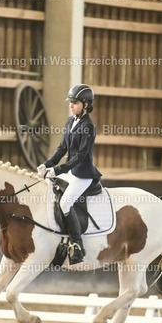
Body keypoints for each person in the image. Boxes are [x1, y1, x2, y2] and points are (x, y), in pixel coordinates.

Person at [37, 84, 102, 265]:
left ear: (86, 105)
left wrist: (57, 170)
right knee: (48, 189)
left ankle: (77, 245)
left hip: (82, 174)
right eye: (70, 102)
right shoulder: (69, 121)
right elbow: (62, 149)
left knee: (65, 202)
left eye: (75, 103)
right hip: (70, 172)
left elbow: (80, 156)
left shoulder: (88, 126)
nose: (71, 105)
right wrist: (46, 164)